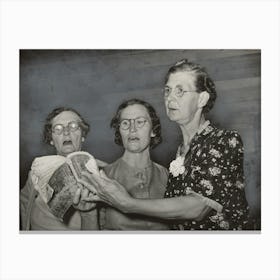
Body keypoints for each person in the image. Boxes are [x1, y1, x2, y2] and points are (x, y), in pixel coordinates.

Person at [80, 59, 251, 230]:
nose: (170, 98)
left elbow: (198, 208)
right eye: (168, 91)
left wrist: (127, 203)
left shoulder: (224, 140)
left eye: (180, 91)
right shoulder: (181, 154)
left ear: (201, 99)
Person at [75, 99, 170, 230]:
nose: (132, 129)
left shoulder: (167, 176)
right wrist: (87, 214)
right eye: (125, 123)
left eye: (140, 122)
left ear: (153, 130)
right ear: (119, 131)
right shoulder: (102, 177)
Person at [20, 107, 103, 230]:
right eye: (58, 129)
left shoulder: (103, 174)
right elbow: (24, 208)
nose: (66, 132)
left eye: (73, 126)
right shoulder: (36, 173)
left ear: (83, 135)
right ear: (51, 139)